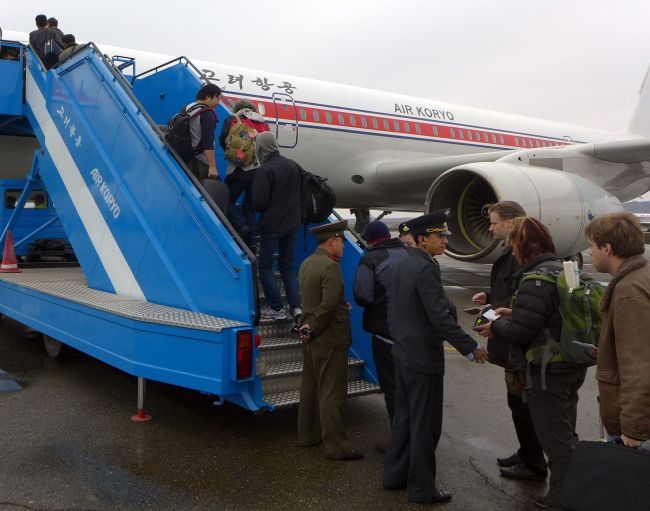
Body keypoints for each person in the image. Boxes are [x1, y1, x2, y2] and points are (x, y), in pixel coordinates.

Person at [477, 217, 587, 510]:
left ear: (523, 246)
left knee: (555, 439)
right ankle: (570, 489)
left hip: (547, 370)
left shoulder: (535, 278)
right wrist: (515, 313)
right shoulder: (559, 270)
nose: (512, 251)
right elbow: (548, 318)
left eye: (514, 245)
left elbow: (520, 333)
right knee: (566, 431)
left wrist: (497, 325)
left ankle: (561, 498)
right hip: (569, 364)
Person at [383, 210, 488, 504]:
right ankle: (422, 489)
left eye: (445, 236)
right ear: (422, 239)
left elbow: (394, 311)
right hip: (422, 359)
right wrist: (470, 346)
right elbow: (440, 317)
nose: (444, 241)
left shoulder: (403, 264)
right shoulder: (426, 268)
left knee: (404, 418)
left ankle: (395, 476)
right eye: (439, 236)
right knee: (425, 425)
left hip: (403, 353)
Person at [472, 202, 547, 481]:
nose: (490, 227)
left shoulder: (523, 255)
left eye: (494, 222)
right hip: (509, 338)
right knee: (518, 403)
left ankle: (534, 462)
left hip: (516, 342)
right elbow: (510, 291)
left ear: (512, 223)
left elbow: (523, 300)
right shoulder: (510, 254)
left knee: (523, 404)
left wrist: (498, 323)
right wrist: (489, 297)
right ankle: (527, 451)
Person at [297, 220, 363, 461]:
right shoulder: (331, 267)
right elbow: (326, 304)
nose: (344, 248)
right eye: (342, 243)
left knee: (310, 387)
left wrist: (310, 325)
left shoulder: (307, 263)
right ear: (332, 241)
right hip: (329, 337)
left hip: (310, 338)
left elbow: (316, 298)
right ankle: (337, 447)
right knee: (332, 394)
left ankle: (307, 436)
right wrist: (315, 324)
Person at [585, 212, 650, 448]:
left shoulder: (628, 292)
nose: (589, 251)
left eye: (592, 245)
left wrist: (632, 432)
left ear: (607, 248)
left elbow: (640, 367)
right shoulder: (640, 276)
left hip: (633, 428)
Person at [353, 220, 410, 426]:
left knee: (392, 387)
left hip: (386, 334)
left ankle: (399, 439)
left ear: (369, 241)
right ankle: (416, 437)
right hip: (412, 335)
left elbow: (363, 296)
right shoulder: (409, 254)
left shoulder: (370, 259)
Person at [252, 132, 302, 321]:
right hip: (293, 223)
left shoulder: (264, 170)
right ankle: (296, 307)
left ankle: (276, 307)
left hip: (272, 225)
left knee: (265, 266)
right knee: (287, 267)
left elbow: (259, 203)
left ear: (262, 147)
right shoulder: (292, 165)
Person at [219, 100, 270, 246]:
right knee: (249, 207)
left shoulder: (233, 119)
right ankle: (252, 243)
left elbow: (223, 138)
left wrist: (235, 154)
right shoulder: (263, 123)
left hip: (240, 168)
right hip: (259, 171)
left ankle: (241, 227)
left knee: (226, 200)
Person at [185, 83, 222, 181]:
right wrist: (212, 166)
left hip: (186, 157)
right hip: (200, 161)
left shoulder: (188, 108)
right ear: (207, 96)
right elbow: (208, 142)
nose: (218, 103)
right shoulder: (208, 114)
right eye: (217, 98)